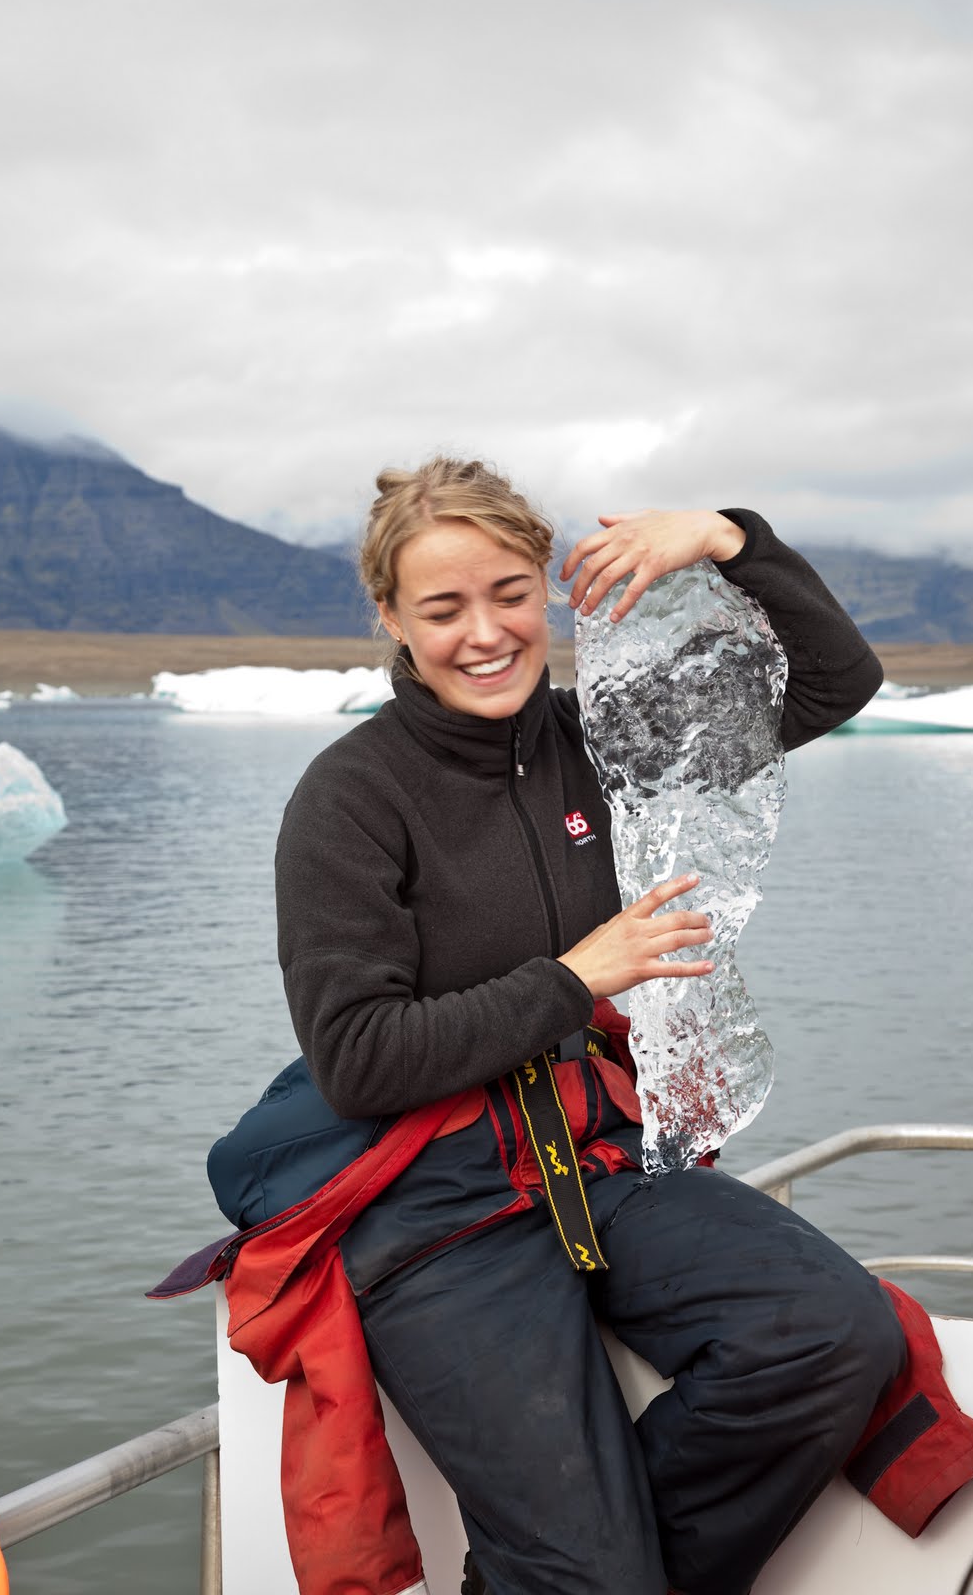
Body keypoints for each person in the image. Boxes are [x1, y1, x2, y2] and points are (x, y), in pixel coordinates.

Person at [274, 457, 906, 1595]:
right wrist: (574, 978)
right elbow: (358, 1058)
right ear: (391, 618)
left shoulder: (609, 742)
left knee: (833, 1335)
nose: (484, 633)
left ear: (547, 591)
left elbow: (832, 682)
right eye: (443, 608)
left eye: (510, 594)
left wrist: (727, 538)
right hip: (437, 1211)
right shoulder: (350, 798)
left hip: (599, 1160)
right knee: (588, 1570)